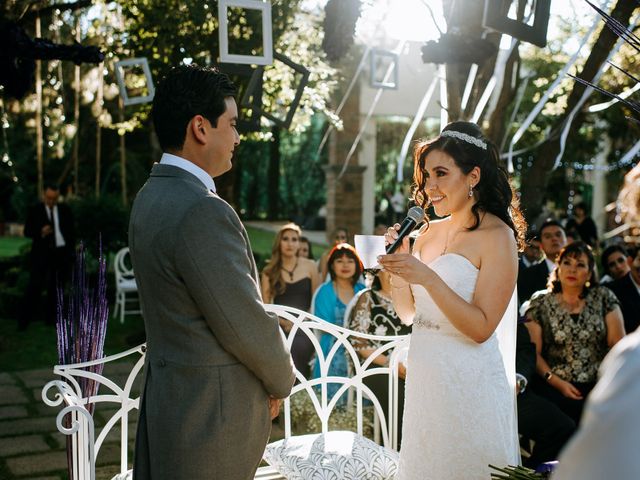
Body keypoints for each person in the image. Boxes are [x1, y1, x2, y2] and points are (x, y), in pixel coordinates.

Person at [128, 64, 295, 480]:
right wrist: (281, 380)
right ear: (200, 128)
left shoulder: (150, 195)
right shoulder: (202, 209)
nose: (238, 137)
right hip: (208, 421)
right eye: (233, 124)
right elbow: (243, 321)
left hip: (171, 404)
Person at [378, 121, 526, 479]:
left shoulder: (497, 236)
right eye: (427, 175)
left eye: (441, 174)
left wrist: (426, 276)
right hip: (426, 378)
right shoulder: (426, 233)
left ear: (472, 175)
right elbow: (408, 313)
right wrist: (400, 268)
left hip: (470, 382)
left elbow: (481, 327)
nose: (430, 187)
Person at [552, 163, 640, 480]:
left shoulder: (631, 358)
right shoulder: (541, 303)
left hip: (593, 387)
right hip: (557, 387)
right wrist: (556, 382)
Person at [524, 241, 625, 425]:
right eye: (567, 263)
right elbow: (533, 352)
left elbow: (618, 345)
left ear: (589, 272)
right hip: (553, 386)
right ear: (558, 266)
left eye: (580, 265)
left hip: (598, 386)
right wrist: (557, 382)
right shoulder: (540, 302)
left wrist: (605, 385)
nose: (572, 269)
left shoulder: (604, 297)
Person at [347, 269, 411, 445]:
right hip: (373, 365)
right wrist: (391, 363)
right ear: (376, 272)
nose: (392, 273)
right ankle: (393, 450)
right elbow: (360, 343)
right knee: (395, 390)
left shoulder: (412, 301)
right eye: (387, 269)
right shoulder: (367, 298)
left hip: (407, 365)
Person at [261, 223, 320, 378]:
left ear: (299, 243)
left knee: (297, 346)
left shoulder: (311, 266)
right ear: (279, 243)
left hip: (306, 324)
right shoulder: (268, 271)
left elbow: (317, 301)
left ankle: (297, 392)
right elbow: (265, 306)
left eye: (294, 239)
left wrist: (300, 321)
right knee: (280, 349)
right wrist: (283, 323)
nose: (290, 243)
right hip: (279, 327)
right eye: (285, 239)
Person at [516, 322, 576, 468]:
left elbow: (525, 349)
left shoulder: (507, 309)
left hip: (515, 391)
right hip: (471, 390)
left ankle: (532, 474)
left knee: (562, 427)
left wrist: (519, 379)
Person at [313, 243, 365, 400]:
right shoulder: (324, 291)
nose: (345, 265)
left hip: (360, 349)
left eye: (350, 261)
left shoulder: (363, 290)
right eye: (339, 261)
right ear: (332, 265)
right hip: (332, 350)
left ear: (357, 265)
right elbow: (324, 325)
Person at [20, 183, 75, 330]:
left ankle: (51, 320)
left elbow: (71, 232)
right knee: (34, 286)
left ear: (58, 197)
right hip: (41, 255)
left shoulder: (65, 210)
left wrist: (71, 252)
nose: (51, 201)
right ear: (44, 195)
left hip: (60, 254)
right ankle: (24, 321)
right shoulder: (35, 210)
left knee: (56, 288)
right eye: (49, 198)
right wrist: (40, 232)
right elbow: (27, 231)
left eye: (54, 199)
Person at [518, 219, 567, 305]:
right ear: (541, 245)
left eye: (558, 235)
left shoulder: (579, 270)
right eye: (548, 236)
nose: (554, 239)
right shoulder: (527, 275)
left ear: (566, 240)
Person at [605, 245, 640, 333]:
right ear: (630, 261)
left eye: (621, 260)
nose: (618, 267)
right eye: (612, 264)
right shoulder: (611, 292)